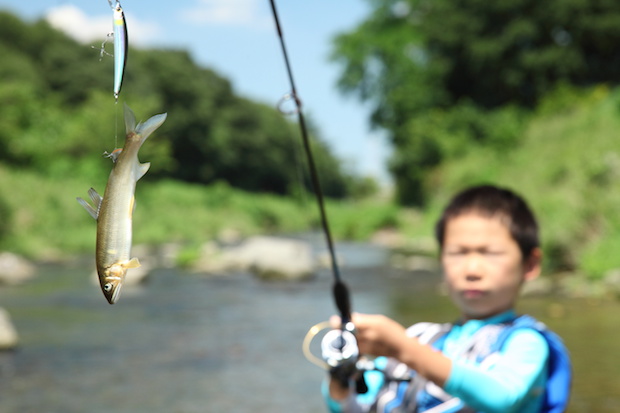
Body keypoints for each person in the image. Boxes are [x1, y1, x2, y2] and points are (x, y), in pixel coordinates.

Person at [322, 185, 571, 413]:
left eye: (490, 253)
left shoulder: (526, 342)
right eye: (458, 253)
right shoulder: (423, 338)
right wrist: (339, 377)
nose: (472, 270)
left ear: (530, 264)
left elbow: (502, 397)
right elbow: (352, 407)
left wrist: (403, 350)